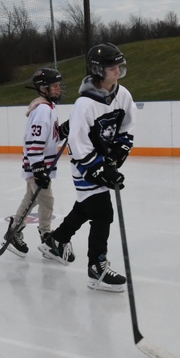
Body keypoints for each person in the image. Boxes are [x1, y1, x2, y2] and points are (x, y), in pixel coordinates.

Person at [40, 43, 136, 293]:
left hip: (104, 160)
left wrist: (116, 156)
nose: (118, 71)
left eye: (119, 66)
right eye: (112, 67)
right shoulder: (85, 104)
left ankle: (56, 241)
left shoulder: (123, 95)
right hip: (85, 164)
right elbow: (78, 144)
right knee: (103, 211)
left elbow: (126, 127)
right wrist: (100, 170)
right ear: (98, 70)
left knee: (88, 206)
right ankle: (97, 268)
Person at [6, 68, 69, 257]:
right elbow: (34, 141)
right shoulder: (42, 110)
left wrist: (66, 128)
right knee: (46, 200)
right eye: (54, 86)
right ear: (43, 88)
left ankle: (14, 230)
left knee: (30, 199)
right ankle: (46, 236)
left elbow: (51, 137)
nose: (58, 89)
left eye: (58, 85)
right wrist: (38, 168)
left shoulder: (48, 108)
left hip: (39, 165)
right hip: (37, 165)